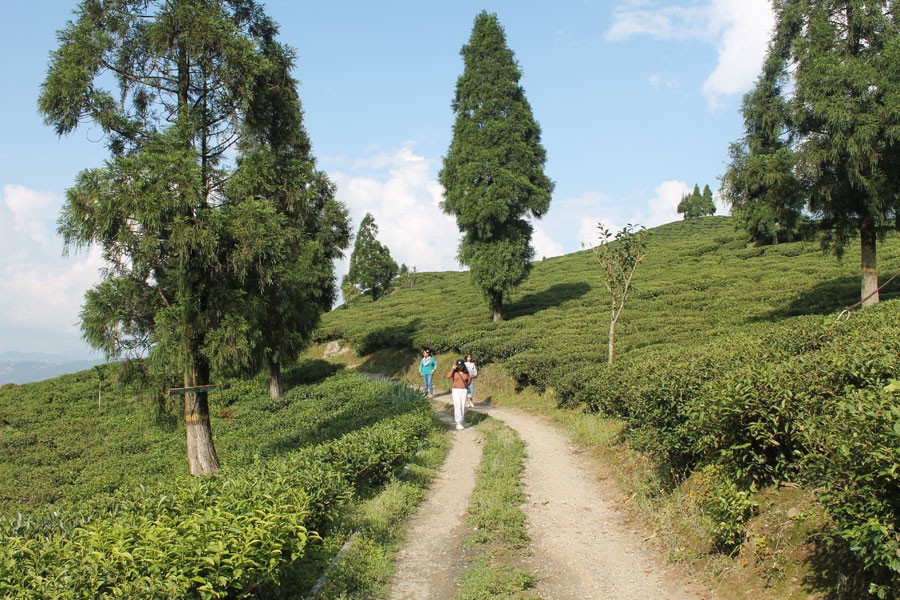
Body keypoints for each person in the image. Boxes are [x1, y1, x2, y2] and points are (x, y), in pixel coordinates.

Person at [446, 358, 471, 430]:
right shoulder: (454, 372)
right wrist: (452, 369)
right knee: (457, 405)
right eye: (458, 365)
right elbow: (448, 376)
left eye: (461, 366)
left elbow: (469, 381)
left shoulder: (466, 372)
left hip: (464, 390)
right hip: (456, 390)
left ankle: (461, 421)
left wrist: (469, 381)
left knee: (463, 405)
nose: (460, 367)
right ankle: (458, 422)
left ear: (463, 365)